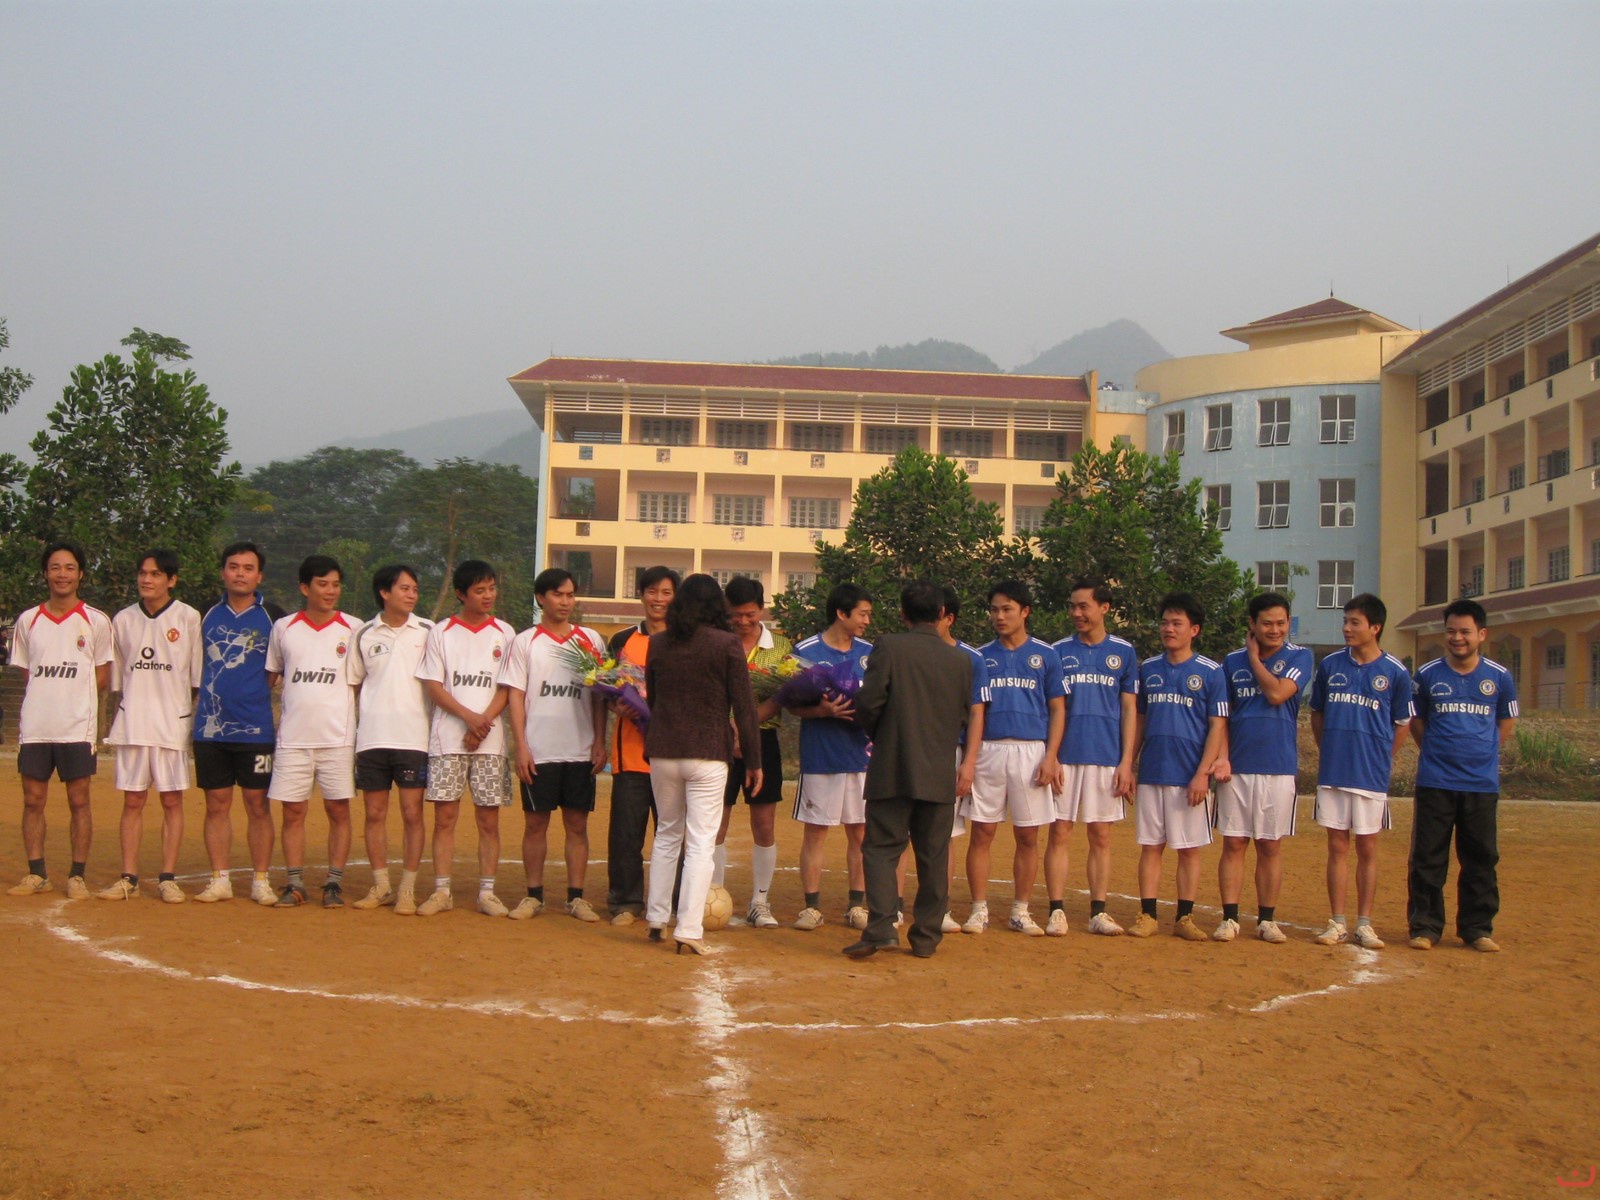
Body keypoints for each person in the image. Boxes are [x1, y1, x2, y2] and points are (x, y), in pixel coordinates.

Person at [845, 581, 975, 960]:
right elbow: (962, 715)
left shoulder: (889, 646)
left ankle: (882, 927)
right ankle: (926, 938)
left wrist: (882, 735)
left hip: (893, 765)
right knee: (934, 855)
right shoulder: (961, 660)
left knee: (881, 849)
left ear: (903, 613)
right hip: (938, 769)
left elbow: (869, 702)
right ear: (942, 614)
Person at [642, 574, 761, 955]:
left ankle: (657, 917)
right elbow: (744, 707)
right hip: (708, 752)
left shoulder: (658, 643)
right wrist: (754, 760)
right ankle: (689, 928)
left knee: (666, 834)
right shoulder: (727, 644)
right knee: (700, 844)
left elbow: (654, 699)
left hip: (664, 750)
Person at [1406, 599, 1517, 953]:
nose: (1457, 638)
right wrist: (1437, 751)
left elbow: (1505, 723)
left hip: (1480, 784)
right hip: (1435, 781)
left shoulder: (1499, 677)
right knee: (1428, 857)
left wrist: (1481, 751)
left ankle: (1477, 928)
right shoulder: (1427, 675)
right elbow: (1417, 721)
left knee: (1481, 857)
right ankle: (1425, 926)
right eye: (1451, 631)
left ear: (1481, 635)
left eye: (1465, 632)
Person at [500, 568, 608, 922]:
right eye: (558, 594)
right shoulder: (525, 642)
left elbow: (599, 696)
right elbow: (515, 697)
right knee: (535, 825)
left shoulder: (590, 640)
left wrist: (599, 741)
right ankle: (533, 896)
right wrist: (521, 746)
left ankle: (576, 898)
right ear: (541, 598)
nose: (565, 601)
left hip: (579, 749)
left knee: (577, 825)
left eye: (570, 595)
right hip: (540, 751)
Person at [1308, 593, 1415, 950]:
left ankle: (1365, 924)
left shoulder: (1395, 672)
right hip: (1334, 773)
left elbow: (1403, 722)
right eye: (1345, 621)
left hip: (1370, 775)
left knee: (1367, 847)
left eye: (1355, 622)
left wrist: (1383, 757)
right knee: (1337, 845)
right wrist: (1328, 749)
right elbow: (1317, 714)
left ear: (1375, 627)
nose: (1347, 628)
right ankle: (1337, 921)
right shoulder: (1330, 666)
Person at [7, 542, 112, 899]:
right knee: (33, 800)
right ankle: (37, 873)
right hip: (37, 726)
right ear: (45, 573)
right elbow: (29, 674)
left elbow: (102, 675)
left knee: (79, 801)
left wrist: (75, 700)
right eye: (55, 567)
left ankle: (77, 875)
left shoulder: (96, 621)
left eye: (69, 567)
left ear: (80, 574)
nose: (62, 574)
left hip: (76, 727)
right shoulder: (28, 620)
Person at [97, 549, 202, 903]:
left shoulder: (188, 617)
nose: (147, 579)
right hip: (134, 723)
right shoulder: (123, 620)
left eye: (155, 574)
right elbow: (118, 680)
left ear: (171, 580)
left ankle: (167, 878)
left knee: (172, 800)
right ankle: (128, 877)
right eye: (143, 573)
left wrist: (181, 712)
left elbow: (196, 678)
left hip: (171, 724)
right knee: (133, 800)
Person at [961, 579, 1064, 937]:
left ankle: (1020, 910)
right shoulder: (979, 657)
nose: (999, 616)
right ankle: (978, 910)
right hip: (988, 750)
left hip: (1031, 752)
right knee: (982, 833)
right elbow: (974, 711)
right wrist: (969, 760)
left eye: (1007, 609)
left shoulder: (1046, 655)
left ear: (1025, 612)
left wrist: (1051, 756)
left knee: (1028, 836)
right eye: (994, 610)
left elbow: (1058, 709)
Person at [413, 561, 515, 917]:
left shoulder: (505, 632)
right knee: (445, 818)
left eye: (491, 588)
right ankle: (442, 891)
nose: (488, 596)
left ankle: (487, 892)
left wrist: (482, 723)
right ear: (461, 594)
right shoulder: (441, 632)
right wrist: (469, 719)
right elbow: (434, 685)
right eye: (479, 590)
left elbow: (507, 687)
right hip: (447, 741)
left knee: (488, 820)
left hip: (490, 743)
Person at [1213, 592, 1313, 944]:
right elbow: (1222, 717)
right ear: (1252, 624)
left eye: (1281, 623)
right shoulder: (1230, 662)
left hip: (1278, 767)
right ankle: (1229, 917)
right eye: (1267, 623)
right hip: (1238, 768)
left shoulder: (1300, 656)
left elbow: (1277, 693)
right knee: (1234, 843)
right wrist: (1222, 756)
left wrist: (1255, 659)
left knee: (1270, 845)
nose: (1275, 630)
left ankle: (1267, 919)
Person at [1128, 593, 1229, 941]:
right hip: (1152, 772)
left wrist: (1202, 773)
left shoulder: (1211, 673)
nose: (1168, 629)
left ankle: (1185, 917)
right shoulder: (1148, 669)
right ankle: (1148, 915)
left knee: (1188, 849)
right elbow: (1140, 721)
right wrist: (1129, 764)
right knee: (1151, 846)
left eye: (1177, 623)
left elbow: (1217, 726)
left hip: (1189, 776)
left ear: (1194, 630)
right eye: (1165, 623)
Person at [193, 542, 286, 905]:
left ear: (259, 576)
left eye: (248, 568)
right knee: (216, 804)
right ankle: (220, 879)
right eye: (234, 567)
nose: (240, 574)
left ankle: (261, 881)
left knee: (257, 804)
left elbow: (277, 670)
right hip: (210, 728)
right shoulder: (204, 614)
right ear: (223, 572)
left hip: (256, 728)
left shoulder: (273, 617)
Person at [264, 555, 359, 907]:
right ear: (305, 588)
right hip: (293, 738)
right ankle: (295, 883)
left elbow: (362, 682)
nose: (330, 591)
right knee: (293, 812)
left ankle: (333, 883)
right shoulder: (284, 628)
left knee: (338, 810)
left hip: (338, 738)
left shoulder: (354, 628)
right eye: (322, 584)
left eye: (335, 584)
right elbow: (272, 675)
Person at [1049, 577, 1139, 937]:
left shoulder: (1124, 652)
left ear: (1104, 607)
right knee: (1060, 832)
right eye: (1072, 606)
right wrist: (1051, 756)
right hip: (1065, 757)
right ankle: (1056, 911)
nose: (1076, 612)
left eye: (1083, 606)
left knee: (1101, 835)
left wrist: (1126, 762)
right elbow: (1052, 709)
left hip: (1106, 757)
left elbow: (1129, 710)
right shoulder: (1057, 651)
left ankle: (1098, 912)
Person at [788, 583, 874, 931]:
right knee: (816, 833)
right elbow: (792, 705)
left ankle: (857, 906)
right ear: (842, 613)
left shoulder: (871, 653)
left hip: (862, 756)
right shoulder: (805, 651)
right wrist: (822, 710)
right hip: (821, 756)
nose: (867, 621)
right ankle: (811, 907)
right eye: (863, 614)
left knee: (861, 834)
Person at [348, 564, 434, 913]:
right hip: (372, 738)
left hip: (415, 738)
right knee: (374, 813)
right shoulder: (364, 634)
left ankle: (407, 889)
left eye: (414, 589)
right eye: (404, 588)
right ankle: (381, 885)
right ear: (385, 592)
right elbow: (355, 685)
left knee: (413, 813)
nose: (412, 594)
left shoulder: (429, 631)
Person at [605, 566, 678, 925]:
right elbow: (605, 685)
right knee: (626, 834)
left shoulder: (684, 640)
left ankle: (673, 902)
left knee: (673, 834)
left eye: (666, 592)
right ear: (641, 595)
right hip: (631, 754)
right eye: (652, 591)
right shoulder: (622, 640)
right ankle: (626, 902)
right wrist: (616, 704)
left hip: (674, 755)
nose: (658, 599)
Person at [719, 576, 790, 928]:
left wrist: (743, 726)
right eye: (736, 615)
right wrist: (729, 728)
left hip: (762, 740)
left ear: (761, 609)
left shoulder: (781, 646)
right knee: (716, 821)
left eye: (749, 614)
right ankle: (711, 896)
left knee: (763, 823)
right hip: (718, 741)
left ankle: (760, 902)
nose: (743, 621)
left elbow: (780, 697)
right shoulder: (716, 641)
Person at [934, 585, 986, 935]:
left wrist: (968, 762)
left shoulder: (971, 658)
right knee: (902, 834)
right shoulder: (908, 651)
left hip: (950, 752)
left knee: (945, 834)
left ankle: (940, 907)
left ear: (949, 618)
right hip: (912, 750)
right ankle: (894, 907)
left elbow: (977, 712)